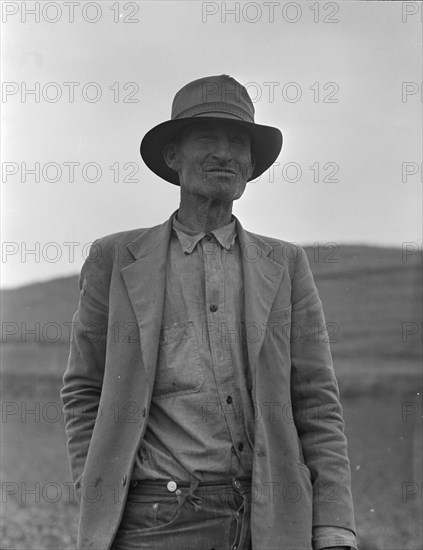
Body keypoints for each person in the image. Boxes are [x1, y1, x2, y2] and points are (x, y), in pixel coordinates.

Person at [61, 74, 357, 550]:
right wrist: (97, 488)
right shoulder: (115, 259)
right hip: (155, 521)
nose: (224, 153)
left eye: (237, 142)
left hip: (270, 523)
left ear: (252, 163)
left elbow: (317, 403)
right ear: (173, 156)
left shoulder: (284, 264)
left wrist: (334, 526)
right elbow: (83, 390)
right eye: (207, 138)